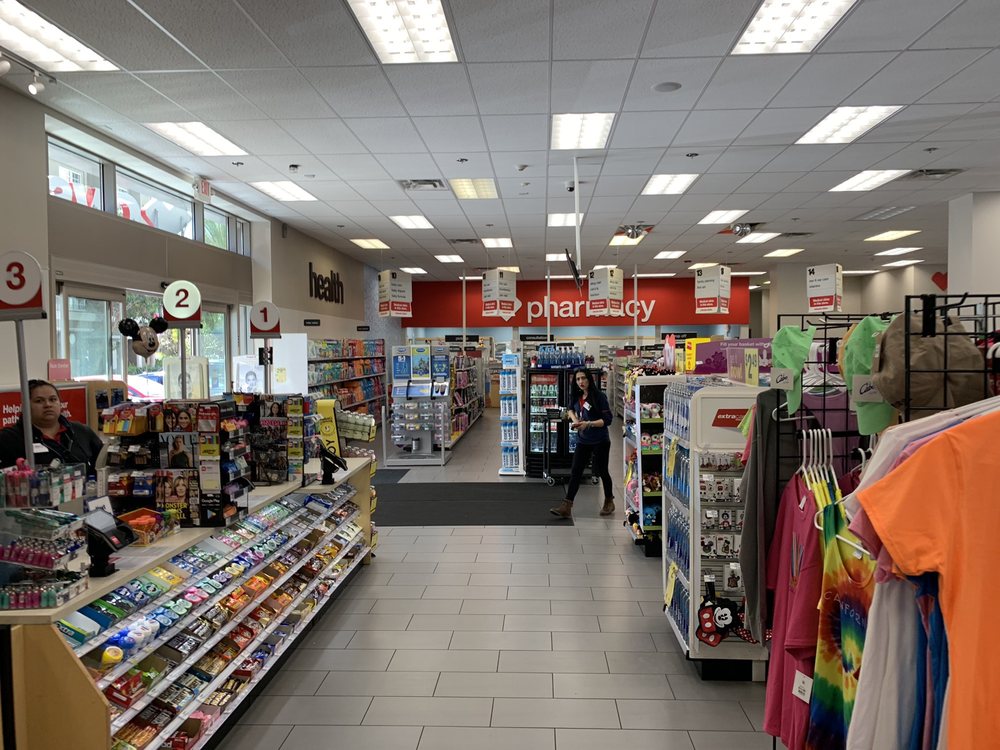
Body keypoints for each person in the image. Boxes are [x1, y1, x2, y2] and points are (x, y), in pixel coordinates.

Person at [0, 379, 104, 474]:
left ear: (60, 403)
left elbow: (103, 465)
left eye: (53, 399)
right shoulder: (8, 439)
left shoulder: (81, 431)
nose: (48, 405)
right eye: (39, 401)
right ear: (25, 406)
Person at [550, 369, 615, 520]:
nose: (581, 382)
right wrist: (575, 421)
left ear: (589, 379)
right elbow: (570, 409)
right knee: (576, 471)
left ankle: (609, 501)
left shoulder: (599, 396)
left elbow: (608, 420)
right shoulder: (577, 395)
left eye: (583, 378)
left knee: (602, 471)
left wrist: (589, 424)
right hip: (583, 440)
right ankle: (567, 506)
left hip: (600, 440)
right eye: (578, 379)